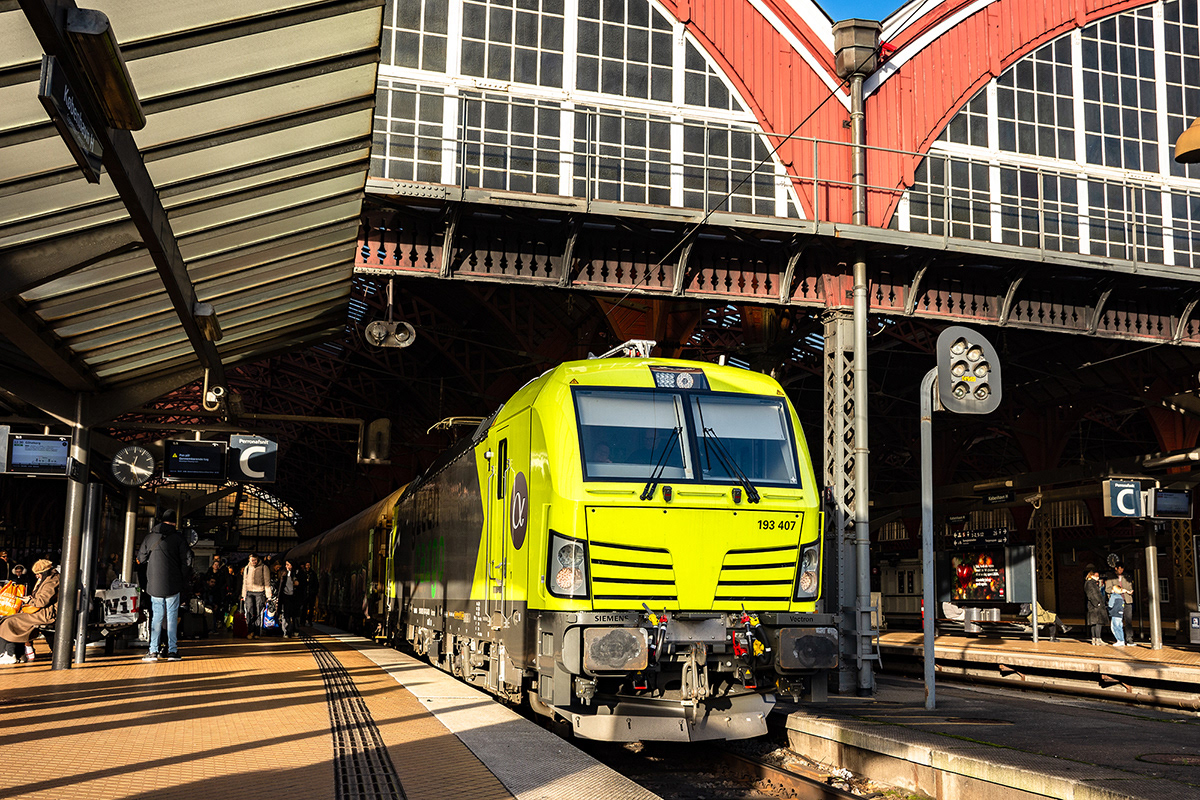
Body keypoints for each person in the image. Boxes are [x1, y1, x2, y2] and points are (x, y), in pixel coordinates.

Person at [135, 509, 189, 662]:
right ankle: (172, 651)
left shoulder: (150, 537)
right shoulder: (179, 538)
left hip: (155, 585)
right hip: (174, 584)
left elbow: (141, 558)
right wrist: (182, 578)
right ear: (174, 523)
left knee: (157, 618)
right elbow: (188, 560)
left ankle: (153, 651)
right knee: (172, 618)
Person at [0, 559, 59, 665]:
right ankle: (19, 654)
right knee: (7, 619)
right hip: (43, 612)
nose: (37, 576)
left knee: (8, 622)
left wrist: (29, 600)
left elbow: (42, 601)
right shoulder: (50, 579)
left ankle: (10, 654)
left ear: (43, 572)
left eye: (38, 574)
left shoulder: (51, 581)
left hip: (45, 614)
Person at [241, 554, 273, 639]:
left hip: (260, 592)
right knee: (249, 612)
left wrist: (268, 595)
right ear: (249, 560)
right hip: (249, 592)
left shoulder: (264, 567)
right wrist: (243, 595)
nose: (253, 562)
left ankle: (257, 632)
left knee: (259, 612)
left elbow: (267, 582)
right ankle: (250, 631)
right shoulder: (247, 568)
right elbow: (244, 582)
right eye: (252, 560)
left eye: (255, 560)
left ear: (257, 559)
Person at [275, 559, 306, 638]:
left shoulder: (298, 573)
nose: (287, 566)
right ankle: (286, 631)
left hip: (295, 596)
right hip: (286, 596)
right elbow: (280, 585)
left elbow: (303, 585)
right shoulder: (284, 573)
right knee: (286, 614)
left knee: (295, 614)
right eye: (286, 564)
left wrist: (298, 584)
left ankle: (295, 629)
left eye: (288, 565)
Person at [1105, 563, 1135, 644]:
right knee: (1117, 621)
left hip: (1127, 601)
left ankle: (1129, 638)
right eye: (1120, 569)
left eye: (1122, 569)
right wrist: (1116, 590)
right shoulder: (1111, 577)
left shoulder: (1127, 576)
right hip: (1117, 602)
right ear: (1116, 568)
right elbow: (1107, 589)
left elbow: (1130, 587)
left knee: (1128, 620)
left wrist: (1130, 591)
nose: (1121, 571)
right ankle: (1120, 639)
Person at [1084, 565, 1107, 645]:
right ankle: (1098, 639)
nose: (1098, 577)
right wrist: (1097, 603)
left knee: (1094, 623)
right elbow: (1091, 595)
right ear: (1092, 575)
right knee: (1098, 622)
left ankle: (1094, 639)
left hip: (1093, 606)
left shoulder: (1090, 583)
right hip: (1096, 606)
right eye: (1096, 576)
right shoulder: (1090, 583)